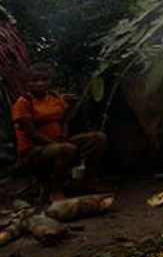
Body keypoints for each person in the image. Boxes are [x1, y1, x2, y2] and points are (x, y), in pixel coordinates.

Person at [10, 63, 107, 203]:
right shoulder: (23, 103)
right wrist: (57, 144)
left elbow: (65, 120)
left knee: (98, 138)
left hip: (58, 144)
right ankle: (55, 190)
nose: (39, 83)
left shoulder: (56, 98)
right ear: (27, 83)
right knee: (67, 149)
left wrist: (64, 137)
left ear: (50, 81)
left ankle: (86, 184)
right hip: (34, 150)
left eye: (44, 80)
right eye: (35, 80)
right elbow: (30, 133)